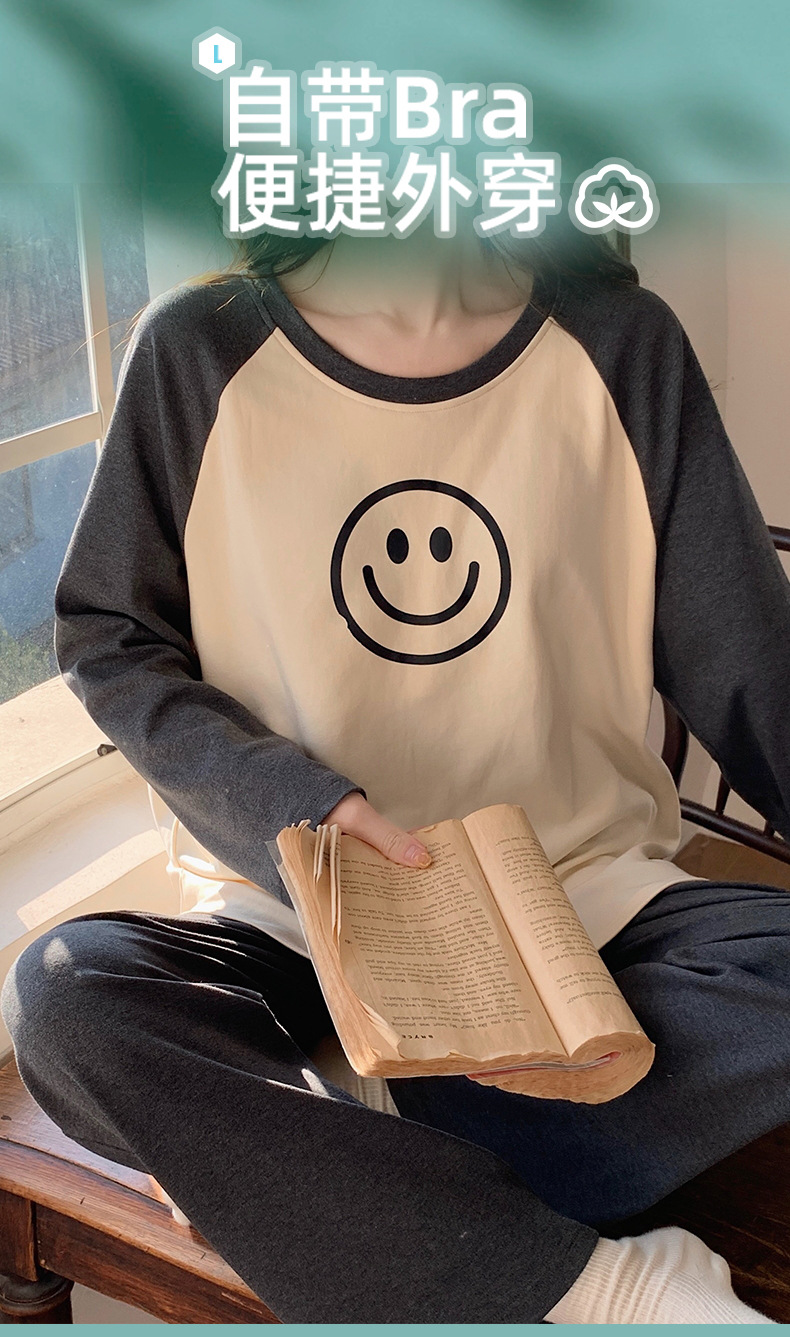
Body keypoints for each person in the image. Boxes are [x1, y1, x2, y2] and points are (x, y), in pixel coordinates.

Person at [2, 205, 789, 1324]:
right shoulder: (197, 350)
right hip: (290, 919)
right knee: (68, 995)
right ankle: (609, 1284)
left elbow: (750, 665)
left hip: (582, 914)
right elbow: (110, 638)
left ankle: (309, 1154)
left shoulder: (624, 344)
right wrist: (303, 807)